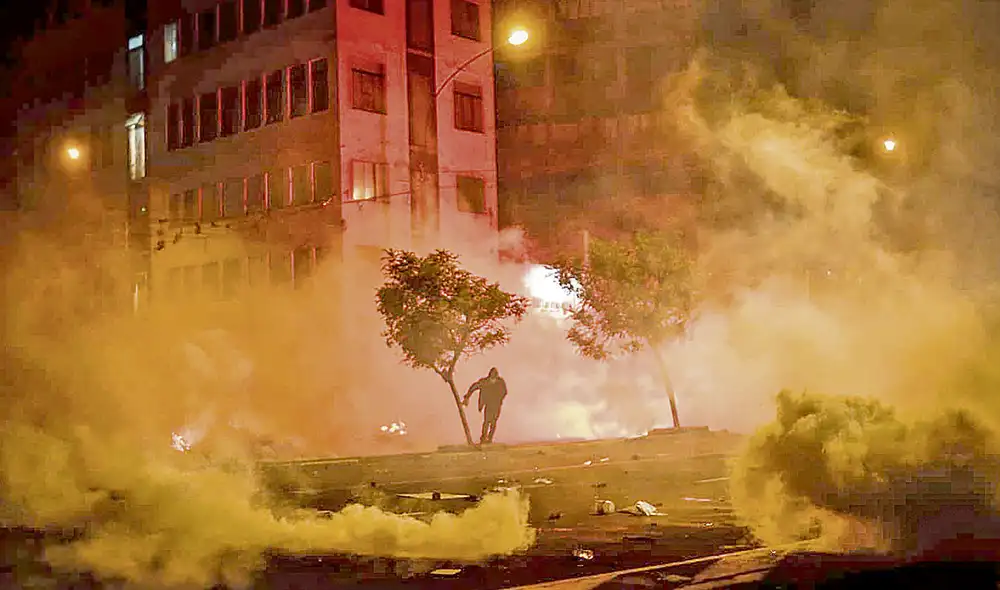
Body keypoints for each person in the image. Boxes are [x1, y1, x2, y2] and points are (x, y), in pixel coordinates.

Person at [463, 367, 508, 444]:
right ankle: (483, 438)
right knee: (487, 421)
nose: (493, 375)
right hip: (488, 404)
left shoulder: (500, 382)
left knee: (493, 422)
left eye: (495, 373)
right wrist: (467, 397)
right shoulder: (485, 382)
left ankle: (489, 438)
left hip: (496, 405)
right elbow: (474, 387)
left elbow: (504, 392)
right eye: (492, 373)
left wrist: (499, 399)